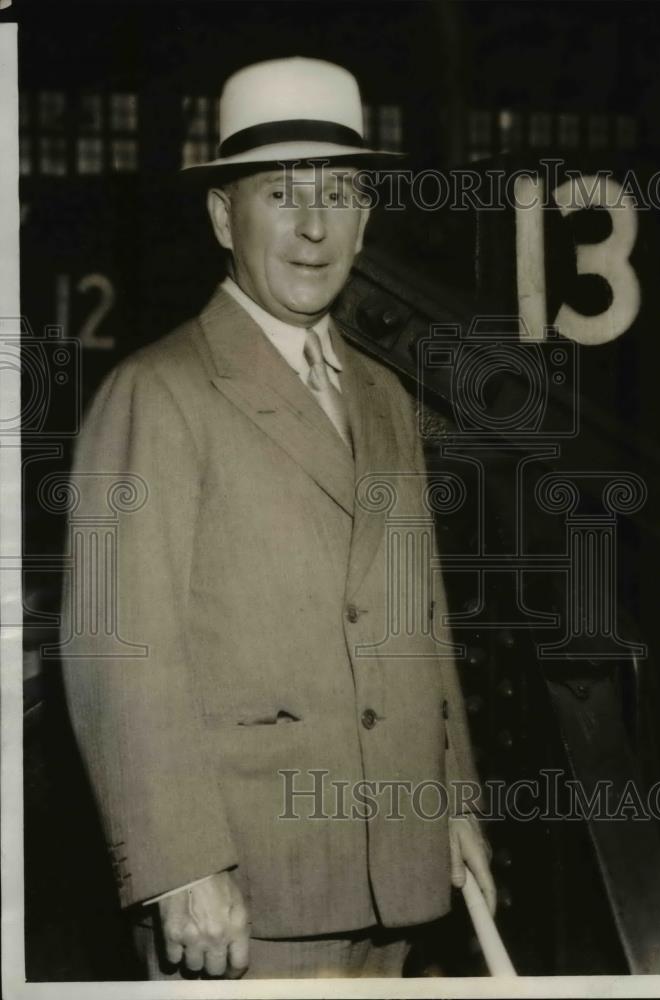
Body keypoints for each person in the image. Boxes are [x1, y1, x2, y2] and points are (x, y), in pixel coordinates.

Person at [61, 56, 494, 980]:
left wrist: (452, 801)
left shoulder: (382, 397)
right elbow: (113, 647)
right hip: (246, 897)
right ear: (224, 216)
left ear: (367, 215)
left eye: (339, 192)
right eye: (280, 195)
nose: (312, 227)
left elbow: (420, 621)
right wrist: (180, 867)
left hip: (397, 870)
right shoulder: (156, 393)